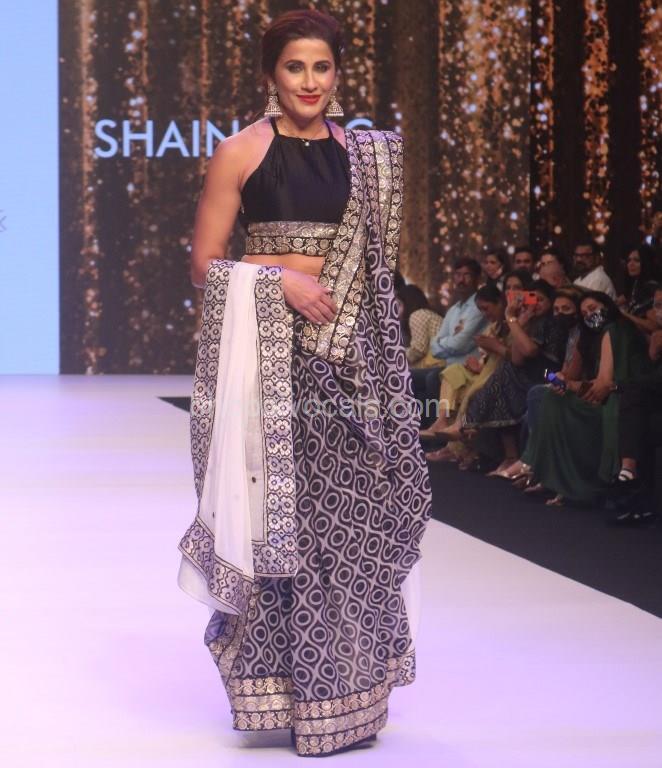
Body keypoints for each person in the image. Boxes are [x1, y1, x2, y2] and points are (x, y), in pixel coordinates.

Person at [177, 10, 431, 757]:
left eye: (322, 67)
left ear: (337, 73)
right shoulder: (240, 152)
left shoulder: (367, 155)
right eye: (295, 67)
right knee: (289, 526)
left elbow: (376, 275)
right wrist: (280, 279)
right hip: (274, 359)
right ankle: (289, 690)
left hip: (357, 363)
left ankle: (350, 693)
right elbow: (204, 265)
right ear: (271, 74)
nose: (310, 82)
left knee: (358, 520)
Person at [521, 292, 650, 506]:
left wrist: (570, 386)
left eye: (593, 308)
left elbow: (604, 385)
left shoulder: (614, 330)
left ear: (607, 305)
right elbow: (571, 375)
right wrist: (560, 379)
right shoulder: (588, 336)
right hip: (597, 394)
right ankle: (552, 478)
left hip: (618, 398)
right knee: (550, 396)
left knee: (554, 401)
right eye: (585, 313)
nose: (590, 315)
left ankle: (553, 477)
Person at [440, 280, 567, 476]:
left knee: (505, 374)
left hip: (550, 375)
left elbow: (530, 351)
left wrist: (511, 318)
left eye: (541, 300)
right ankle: (507, 456)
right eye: (532, 299)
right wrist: (521, 321)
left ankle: (468, 425)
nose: (536, 304)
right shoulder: (532, 322)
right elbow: (517, 358)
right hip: (530, 374)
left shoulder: (550, 322)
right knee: (505, 377)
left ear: (551, 301)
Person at [410, 257, 487, 427]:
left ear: (477, 278)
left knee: (432, 378)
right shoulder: (454, 309)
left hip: (468, 367)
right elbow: (435, 346)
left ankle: (436, 431)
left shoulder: (479, 307)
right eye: (458, 275)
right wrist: (448, 342)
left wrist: (445, 343)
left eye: (467, 275)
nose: (461, 280)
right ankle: (413, 429)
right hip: (448, 365)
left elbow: (460, 344)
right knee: (408, 376)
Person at [397, 283, 443, 366]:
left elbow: (418, 350)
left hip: (437, 364)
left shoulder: (418, 315)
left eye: (398, 305)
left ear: (408, 303)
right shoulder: (425, 313)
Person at [616, 244, 658, 334]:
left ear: (646, 262)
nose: (631, 264)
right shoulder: (636, 283)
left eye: (636, 260)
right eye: (629, 260)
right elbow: (621, 300)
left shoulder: (652, 288)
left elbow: (653, 326)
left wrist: (625, 314)